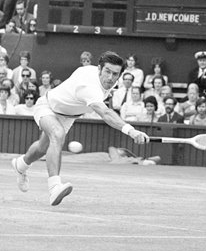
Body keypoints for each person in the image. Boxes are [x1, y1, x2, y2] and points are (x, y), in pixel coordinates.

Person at [11, 51, 149, 206]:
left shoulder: (110, 81)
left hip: (69, 116)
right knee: (57, 134)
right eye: (107, 72)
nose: (110, 78)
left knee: (42, 148)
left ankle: (21, 164)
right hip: (47, 106)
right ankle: (54, 187)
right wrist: (131, 130)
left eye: (115, 74)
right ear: (99, 69)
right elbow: (105, 112)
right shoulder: (89, 85)